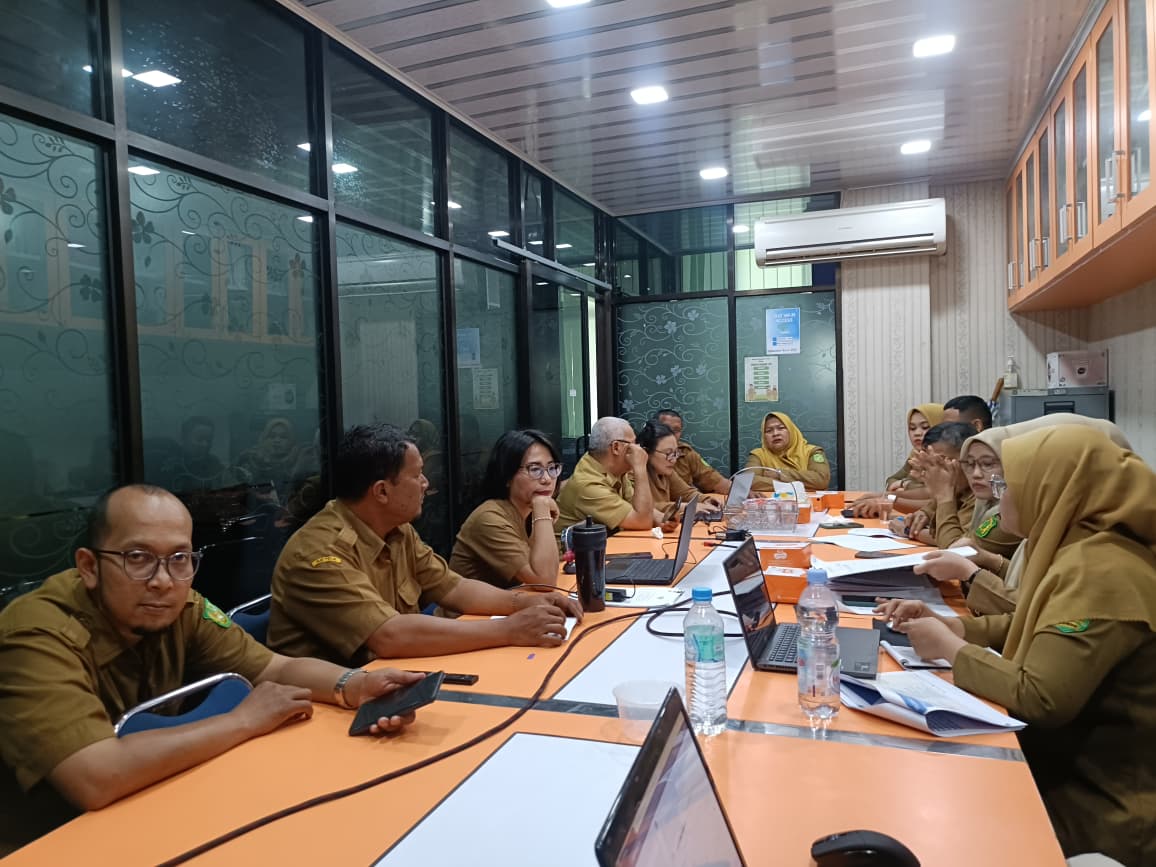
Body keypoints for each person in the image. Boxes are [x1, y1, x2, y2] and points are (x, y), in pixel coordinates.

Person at [0, 485, 423, 855]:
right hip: (47, 840)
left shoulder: (181, 607)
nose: (163, 580)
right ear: (89, 567)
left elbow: (275, 666)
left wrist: (354, 685)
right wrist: (241, 721)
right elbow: (94, 775)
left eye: (180, 558)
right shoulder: (36, 634)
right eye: (138, 557)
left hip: (152, 805)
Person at [878, 427, 1156, 865]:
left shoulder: (1101, 571)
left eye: (1008, 483)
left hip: (1093, 808)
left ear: (1053, 490)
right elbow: (1025, 623)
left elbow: (1040, 695)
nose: (997, 493)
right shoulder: (1075, 547)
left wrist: (952, 650)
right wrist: (952, 626)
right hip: (1058, 769)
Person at [269, 424, 581, 665]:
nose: (426, 483)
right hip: (329, 703)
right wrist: (510, 629)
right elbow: (388, 636)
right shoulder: (319, 553)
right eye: (417, 475)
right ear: (381, 491)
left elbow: (454, 588)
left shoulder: (397, 530)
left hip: (395, 674)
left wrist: (528, 603)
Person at [913, 414, 1134, 616]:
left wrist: (944, 497)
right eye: (969, 464)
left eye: (988, 463)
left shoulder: (1099, 547)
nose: (977, 474)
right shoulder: (1041, 518)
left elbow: (1036, 614)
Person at [449, 430, 563, 589]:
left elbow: (549, 568)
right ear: (507, 476)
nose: (547, 479)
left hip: (511, 607)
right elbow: (544, 581)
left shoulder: (529, 510)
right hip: (469, 613)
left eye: (552, 468)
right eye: (535, 469)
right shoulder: (490, 518)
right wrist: (543, 510)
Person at [554, 417, 659, 534]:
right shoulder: (588, 485)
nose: (638, 449)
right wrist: (640, 468)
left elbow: (637, 507)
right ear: (616, 447)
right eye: (633, 444)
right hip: (571, 551)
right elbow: (642, 521)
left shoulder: (615, 470)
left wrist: (663, 518)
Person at [850, 403, 944, 518]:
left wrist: (903, 486)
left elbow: (934, 495)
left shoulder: (946, 459)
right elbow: (892, 480)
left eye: (925, 427)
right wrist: (886, 496)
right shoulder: (916, 455)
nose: (917, 433)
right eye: (912, 428)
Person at [891, 422, 975, 547]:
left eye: (939, 462)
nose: (933, 471)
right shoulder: (957, 487)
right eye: (929, 464)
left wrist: (908, 531)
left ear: (969, 459)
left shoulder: (981, 492)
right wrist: (924, 513)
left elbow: (956, 543)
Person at [636, 421, 724, 519]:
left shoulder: (666, 471)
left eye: (675, 453)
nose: (674, 460)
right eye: (668, 453)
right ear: (646, 452)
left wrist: (705, 499)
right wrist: (685, 507)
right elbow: (643, 508)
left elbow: (686, 493)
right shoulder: (633, 473)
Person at [745, 412, 830, 492]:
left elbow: (821, 480)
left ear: (791, 431)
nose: (775, 433)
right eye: (769, 431)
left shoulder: (812, 451)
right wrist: (796, 487)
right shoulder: (758, 455)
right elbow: (748, 482)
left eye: (781, 428)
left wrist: (779, 474)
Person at [654, 408, 731, 495]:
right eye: (666, 429)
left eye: (676, 430)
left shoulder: (685, 452)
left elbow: (711, 479)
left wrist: (742, 493)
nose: (671, 434)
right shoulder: (643, 456)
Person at [237, 416, 300, 485]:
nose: (277, 440)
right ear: (264, 439)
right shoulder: (250, 460)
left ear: (291, 441)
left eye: (283, 437)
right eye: (272, 436)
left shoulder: (299, 463)